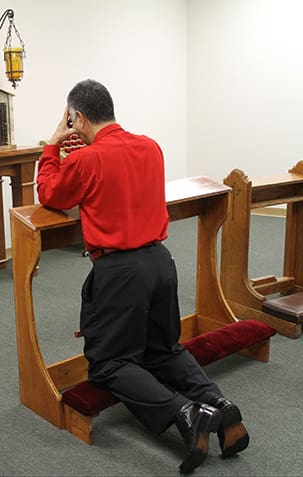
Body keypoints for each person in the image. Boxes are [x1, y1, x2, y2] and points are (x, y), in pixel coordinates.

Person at [36, 79, 248, 474]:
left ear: (76, 118)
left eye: (71, 120)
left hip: (120, 271)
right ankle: (219, 405)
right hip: (160, 262)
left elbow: (50, 193)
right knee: (163, 350)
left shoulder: (86, 160)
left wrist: (52, 145)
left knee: (108, 364)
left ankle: (186, 413)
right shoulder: (150, 147)